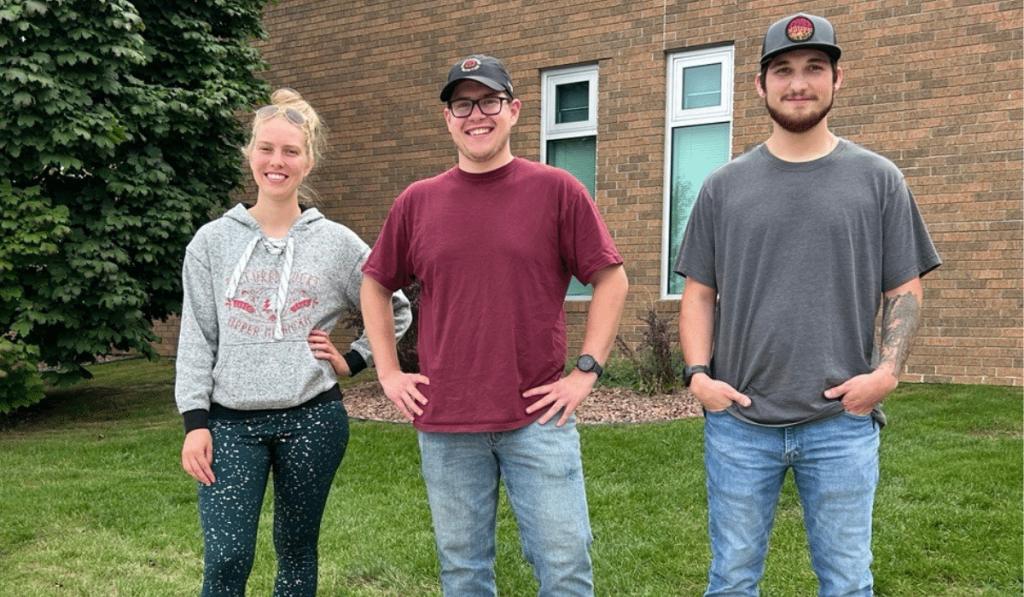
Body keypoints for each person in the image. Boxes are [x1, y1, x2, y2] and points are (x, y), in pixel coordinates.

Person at [674, 13, 942, 597]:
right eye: (784, 70)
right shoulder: (723, 186)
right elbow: (698, 294)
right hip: (740, 424)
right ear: (760, 85)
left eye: (814, 69)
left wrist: (888, 374)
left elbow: (905, 287)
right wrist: (698, 376)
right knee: (731, 580)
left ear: (837, 79)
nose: (799, 83)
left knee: (847, 582)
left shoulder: (879, 180)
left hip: (840, 425)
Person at [359, 54, 629, 597]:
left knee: (565, 565)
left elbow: (611, 279)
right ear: (447, 118)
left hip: (537, 417)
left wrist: (585, 372)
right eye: (462, 103)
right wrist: (387, 372)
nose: (475, 115)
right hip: (446, 419)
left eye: (489, 101)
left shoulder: (557, 190)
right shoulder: (418, 202)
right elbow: (374, 283)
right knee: (463, 572)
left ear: (514, 111)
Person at [175, 88, 411, 597]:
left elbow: (394, 307)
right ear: (250, 154)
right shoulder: (211, 242)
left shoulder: (337, 243)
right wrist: (195, 421)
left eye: (290, 151)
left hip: (312, 418)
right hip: (229, 423)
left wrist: (354, 359)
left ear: (308, 162)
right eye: (266, 148)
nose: (276, 162)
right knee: (226, 558)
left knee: (297, 548)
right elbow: (197, 337)